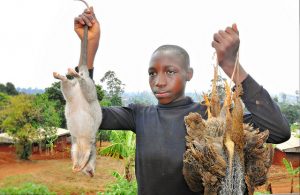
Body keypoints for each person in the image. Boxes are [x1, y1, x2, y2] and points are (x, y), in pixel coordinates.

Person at [74, 7, 291, 195]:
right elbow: (84, 114)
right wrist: (88, 48)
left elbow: (279, 131)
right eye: (152, 73)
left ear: (189, 74)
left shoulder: (211, 118)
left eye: (170, 72)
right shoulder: (139, 116)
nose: (158, 82)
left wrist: (233, 66)